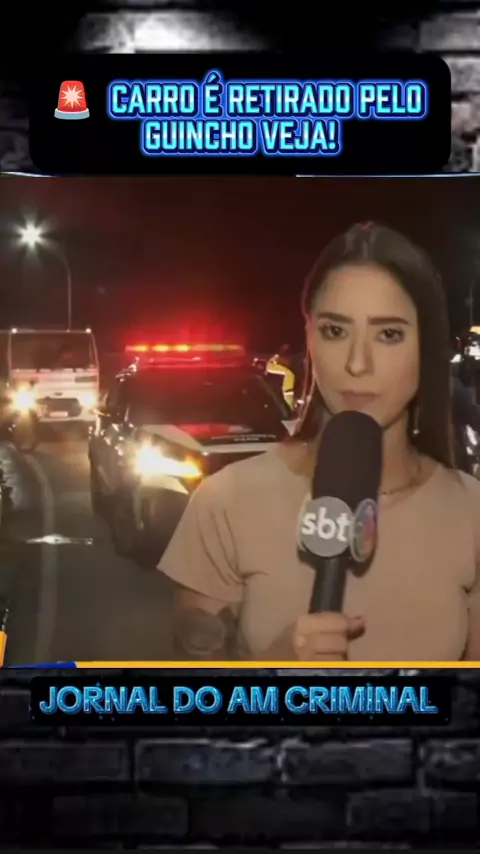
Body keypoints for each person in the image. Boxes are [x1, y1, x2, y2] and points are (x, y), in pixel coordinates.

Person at [158, 222, 480, 662]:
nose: (357, 363)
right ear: (309, 337)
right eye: (335, 331)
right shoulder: (227, 503)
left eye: (389, 334)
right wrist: (276, 672)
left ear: (427, 348)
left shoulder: (470, 512)